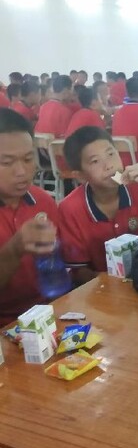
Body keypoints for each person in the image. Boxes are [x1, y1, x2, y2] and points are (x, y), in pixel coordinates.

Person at [58, 126, 138, 284]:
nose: (109, 166)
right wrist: (115, 285)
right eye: (95, 161)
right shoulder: (70, 208)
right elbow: (78, 271)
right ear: (80, 176)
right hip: (99, 289)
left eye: (111, 154)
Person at [0, 109, 59, 326]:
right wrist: (15, 249)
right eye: (6, 162)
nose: (21, 172)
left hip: (46, 313)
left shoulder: (43, 202)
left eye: (27, 159)